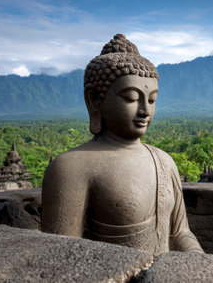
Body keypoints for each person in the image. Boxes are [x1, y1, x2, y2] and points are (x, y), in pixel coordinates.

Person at [41, 34, 203, 255]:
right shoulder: (71, 168)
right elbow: (61, 256)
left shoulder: (164, 161)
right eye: (131, 98)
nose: (145, 110)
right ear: (95, 100)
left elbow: (180, 234)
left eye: (152, 100)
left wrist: (202, 263)